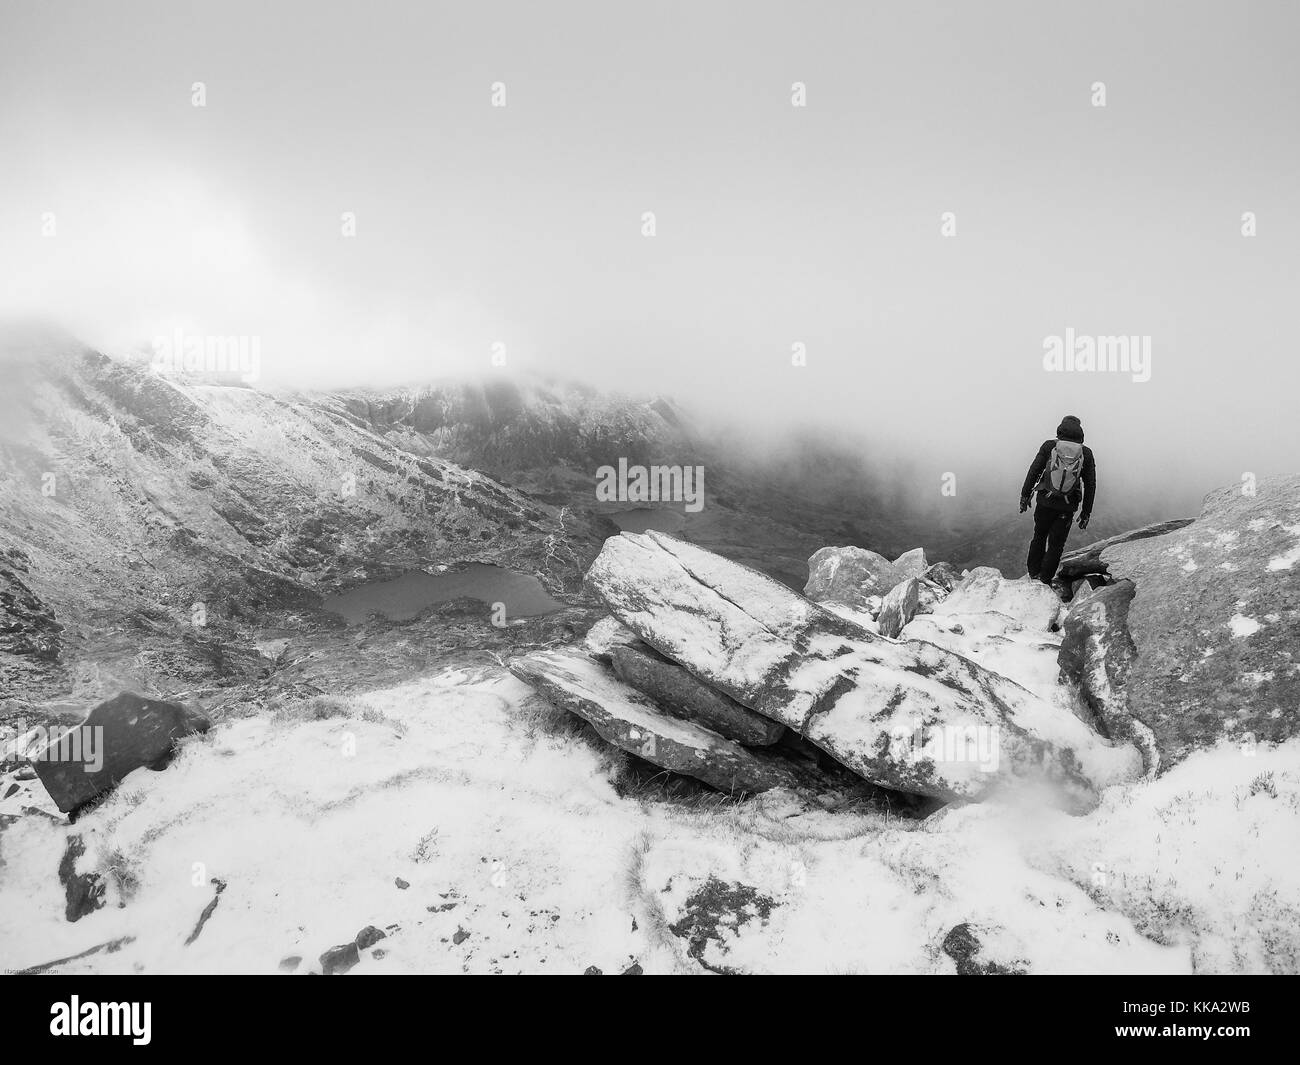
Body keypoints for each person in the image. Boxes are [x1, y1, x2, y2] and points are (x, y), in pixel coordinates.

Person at [1020, 415, 1095, 585]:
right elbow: (1090, 484)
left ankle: (1033, 574)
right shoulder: (1086, 453)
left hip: (1045, 501)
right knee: (1056, 544)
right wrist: (1086, 512)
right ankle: (1045, 579)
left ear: (1060, 429)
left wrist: (1025, 496)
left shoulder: (1049, 446)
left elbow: (1034, 471)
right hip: (1067, 507)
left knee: (1039, 536)